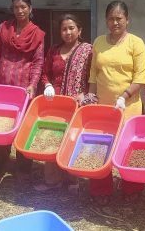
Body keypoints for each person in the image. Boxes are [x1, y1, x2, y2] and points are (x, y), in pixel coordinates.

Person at [0, 0, 45, 188]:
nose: (20, 10)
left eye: (24, 7)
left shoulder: (37, 33)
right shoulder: (3, 28)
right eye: (16, 7)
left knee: (24, 129)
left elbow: (38, 62)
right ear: (12, 9)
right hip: (2, 87)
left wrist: (33, 85)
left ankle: (23, 170)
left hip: (24, 90)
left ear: (30, 9)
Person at [83, 0, 145, 205]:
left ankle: (132, 188)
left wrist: (123, 97)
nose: (115, 22)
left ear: (127, 20)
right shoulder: (99, 42)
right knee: (102, 148)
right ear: (106, 20)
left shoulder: (136, 43)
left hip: (129, 107)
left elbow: (140, 77)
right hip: (103, 108)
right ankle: (101, 190)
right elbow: (94, 73)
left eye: (119, 18)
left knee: (129, 148)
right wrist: (91, 98)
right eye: (111, 18)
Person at [35, 14, 92, 192]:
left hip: (76, 104)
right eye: (64, 29)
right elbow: (45, 73)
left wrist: (85, 95)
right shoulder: (53, 50)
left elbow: (94, 77)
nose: (67, 32)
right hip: (56, 104)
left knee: (73, 140)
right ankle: (52, 180)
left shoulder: (88, 51)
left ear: (79, 30)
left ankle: (73, 179)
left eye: (71, 28)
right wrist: (48, 85)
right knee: (53, 138)